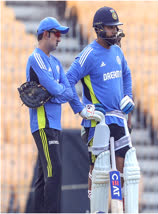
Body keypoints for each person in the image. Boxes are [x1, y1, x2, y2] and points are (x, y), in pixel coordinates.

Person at [66, 6, 140, 213]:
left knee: (122, 167)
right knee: (98, 170)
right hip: (98, 122)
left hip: (118, 119)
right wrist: (80, 109)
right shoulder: (88, 54)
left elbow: (127, 74)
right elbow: (68, 80)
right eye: (110, 27)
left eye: (116, 27)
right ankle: (94, 208)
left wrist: (128, 97)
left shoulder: (117, 51)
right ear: (99, 29)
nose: (115, 31)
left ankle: (120, 208)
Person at [26, 17, 72, 212]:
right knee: (55, 169)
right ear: (46, 34)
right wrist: (56, 91)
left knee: (43, 176)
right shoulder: (35, 58)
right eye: (58, 34)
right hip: (43, 123)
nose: (60, 39)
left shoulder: (56, 63)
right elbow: (55, 87)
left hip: (55, 125)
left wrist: (55, 92)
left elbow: (68, 92)